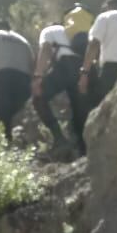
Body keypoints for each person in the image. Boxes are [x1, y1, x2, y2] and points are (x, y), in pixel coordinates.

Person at [32, 13, 90, 152]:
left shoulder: (48, 31)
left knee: (38, 98)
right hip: (82, 67)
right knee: (79, 109)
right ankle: (83, 149)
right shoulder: (71, 31)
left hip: (65, 65)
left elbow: (45, 49)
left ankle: (59, 139)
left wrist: (38, 76)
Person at [0, 19, 34, 143]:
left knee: (1, 113)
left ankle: (4, 145)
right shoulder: (24, 41)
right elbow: (32, 64)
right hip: (24, 79)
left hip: (4, 76)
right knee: (15, 113)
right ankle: (20, 142)